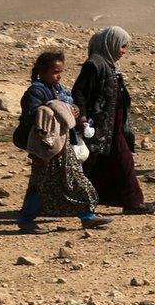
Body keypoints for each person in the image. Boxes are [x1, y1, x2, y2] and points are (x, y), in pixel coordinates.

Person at [16, 52, 112, 234]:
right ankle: (26, 219)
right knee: (40, 184)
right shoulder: (35, 91)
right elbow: (32, 116)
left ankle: (87, 216)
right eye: (55, 71)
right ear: (42, 72)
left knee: (74, 179)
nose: (59, 75)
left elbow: (69, 107)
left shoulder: (58, 89)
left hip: (63, 146)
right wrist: (54, 109)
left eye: (60, 71)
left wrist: (72, 110)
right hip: (46, 148)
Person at [72, 27, 155, 214]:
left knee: (109, 164)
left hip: (112, 127)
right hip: (98, 128)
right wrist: (83, 119)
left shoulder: (109, 64)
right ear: (110, 44)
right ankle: (131, 203)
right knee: (103, 163)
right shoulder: (95, 64)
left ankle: (127, 202)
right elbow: (79, 92)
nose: (124, 51)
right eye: (122, 46)